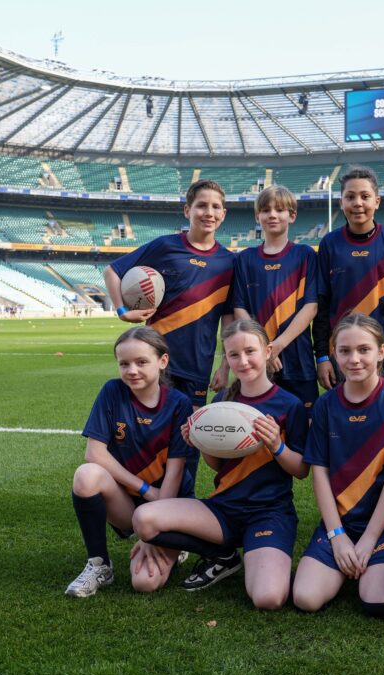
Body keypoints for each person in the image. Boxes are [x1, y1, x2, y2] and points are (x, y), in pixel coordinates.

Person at [132, 320, 309, 609]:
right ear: (226, 358)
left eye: (250, 351)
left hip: (268, 513)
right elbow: (218, 466)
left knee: (268, 598)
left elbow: (301, 471)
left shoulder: (289, 405)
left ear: (267, 352)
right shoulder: (220, 402)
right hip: (223, 510)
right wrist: (199, 443)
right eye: (233, 355)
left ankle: (258, 556)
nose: (243, 361)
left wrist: (277, 445)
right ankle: (222, 555)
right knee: (143, 519)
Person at [293, 313, 384, 618]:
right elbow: (319, 473)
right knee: (305, 598)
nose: (354, 359)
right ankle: (349, 558)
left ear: (381, 352)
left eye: (364, 350)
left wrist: (370, 539)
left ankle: (377, 560)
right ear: (334, 354)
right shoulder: (325, 405)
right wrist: (337, 535)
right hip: (343, 522)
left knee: (378, 602)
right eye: (345, 351)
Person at [65, 326, 198, 597]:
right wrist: (145, 490)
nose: (132, 370)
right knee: (86, 475)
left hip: (168, 503)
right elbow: (94, 454)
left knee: (144, 584)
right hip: (129, 503)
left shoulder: (179, 403)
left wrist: (152, 529)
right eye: (124, 363)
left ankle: (176, 543)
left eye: (141, 362)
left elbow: (175, 472)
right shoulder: (112, 391)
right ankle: (99, 565)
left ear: (162, 361)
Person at [104, 179, 234, 407]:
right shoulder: (165, 247)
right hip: (154, 357)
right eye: (201, 205)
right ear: (187, 210)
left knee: (189, 426)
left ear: (223, 214)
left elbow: (228, 318)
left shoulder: (229, 262)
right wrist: (122, 310)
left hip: (197, 365)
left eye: (215, 207)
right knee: (150, 421)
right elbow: (112, 271)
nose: (209, 213)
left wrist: (225, 367)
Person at [311, 166, 384, 389]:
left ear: (377, 201)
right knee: (343, 410)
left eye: (365, 196)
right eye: (350, 197)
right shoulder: (329, 244)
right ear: (341, 203)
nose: (357, 203)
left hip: (383, 354)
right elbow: (322, 305)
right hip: (341, 354)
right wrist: (322, 356)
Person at [231, 185, 319, 417]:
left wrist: (274, 347)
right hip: (256, 361)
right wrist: (262, 350)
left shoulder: (305, 255)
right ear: (257, 217)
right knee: (255, 427)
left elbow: (311, 307)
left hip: (298, 360)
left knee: (303, 429)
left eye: (279, 210)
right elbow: (239, 309)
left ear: (292, 216)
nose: (272, 215)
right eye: (266, 210)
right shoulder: (245, 259)